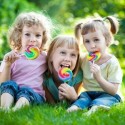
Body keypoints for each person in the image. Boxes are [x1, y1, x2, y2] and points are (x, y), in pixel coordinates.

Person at [67, 16, 123, 114]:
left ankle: (95, 109)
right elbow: (72, 67)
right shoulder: (83, 60)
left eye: (96, 40)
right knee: (82, 100)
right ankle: (75, 108)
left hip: (108, 94)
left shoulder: (112, 62)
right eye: (87, 41)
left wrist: (99, 78)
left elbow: (113, 90)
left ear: (107, 40)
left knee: (102, 101)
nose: (92, 45)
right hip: (88, 94)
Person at [0, 11, 53, 111]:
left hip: (33, 95)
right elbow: (2, 83)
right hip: (13, 93)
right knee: (9, 85)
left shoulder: (44, 57)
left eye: (38, 35)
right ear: (19, 35)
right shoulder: (11, 57)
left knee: (26, 91)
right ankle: (4, 109)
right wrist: (7, 65)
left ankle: (15, 110)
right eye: (27, 34)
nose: (33, 39)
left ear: (43, 37)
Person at [43, 35, 85, 105]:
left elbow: (74, 101)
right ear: (50, 56)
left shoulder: (78, 76)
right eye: (63, 53)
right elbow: (51, 104)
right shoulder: (43, 77)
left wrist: (73, 97)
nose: (67, 59)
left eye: (73, 55)